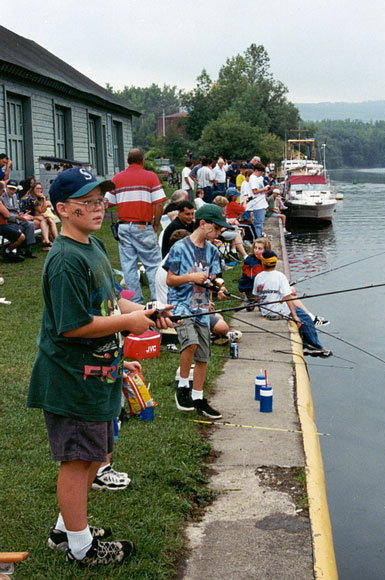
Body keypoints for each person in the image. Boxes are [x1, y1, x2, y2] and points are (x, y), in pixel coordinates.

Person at [26, 166, 173, 566]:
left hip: (98, 377)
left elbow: (110, 300)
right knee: (76, 462)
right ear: (62, 209)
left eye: (101, 200)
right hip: (72, 381)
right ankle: (81, 549)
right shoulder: (64, 261)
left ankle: (66, 529)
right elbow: (72, 325)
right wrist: (128, 323)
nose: (98, 207)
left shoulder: (91, 247)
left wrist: (144, 309)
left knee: (93, 456)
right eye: (87, 202)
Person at [164, 204, 235, 419]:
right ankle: (183, 387)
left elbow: (213, 281)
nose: (219, 233)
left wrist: (218, 291)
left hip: (202, 308)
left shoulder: (212, 251)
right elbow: (170, 279)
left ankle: (198, 397)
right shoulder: (179, 248)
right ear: (202, 224)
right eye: (216, 228)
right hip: (180, 306)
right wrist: (191, 277)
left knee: (203, 355)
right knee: (191, 343)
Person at [106, 149, 166, 303]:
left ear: (127, 161)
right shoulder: (150, 177)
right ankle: (157, 300)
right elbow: (159, 204)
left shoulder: (117, 178)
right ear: (143, 160)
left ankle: (135, 302)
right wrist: (155, 225)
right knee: (153, 265)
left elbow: (108, 202)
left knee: (129, 266)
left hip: (124, 227)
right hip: (142, 225)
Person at [253, 250, 332, 357]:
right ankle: (315, 346)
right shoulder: (280, 276)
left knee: (300, 316)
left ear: (263, 263)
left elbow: (256, 296)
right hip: (279, 312)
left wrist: (261, 307)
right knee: (305, 317)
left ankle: (304, 343)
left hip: (266, 312)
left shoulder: (258, 277)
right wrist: (295, 316)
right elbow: (288, 297)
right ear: (275, 263)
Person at [0, 179, 38, 258]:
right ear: (6, 188)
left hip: (17, 218)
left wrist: (22, 215)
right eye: (10, 189)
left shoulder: (14, 196)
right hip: (9, 220)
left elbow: (16, 210)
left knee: (30, 224)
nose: (12, 191)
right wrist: (18, 217)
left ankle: (28, 249)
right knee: (19, 228)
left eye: (14, 189)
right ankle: (17, 250)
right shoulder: (2, 197)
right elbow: (6, 215)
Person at [238, 237, 271, 306]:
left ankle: (257, 303)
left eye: (260, 249)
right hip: (249, 285)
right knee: (254, 301)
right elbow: (254, 276)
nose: (256, 250)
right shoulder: (250, 260)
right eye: (255, 248)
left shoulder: (267, 260)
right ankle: (252, 302)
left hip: (261, 285)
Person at [0, 182, 26, 262]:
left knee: (20, 228)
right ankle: (7, 252)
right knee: (21, 236)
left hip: (5, 223)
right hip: (2, 225)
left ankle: (13, 252)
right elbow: (7, 215)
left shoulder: (13, 197)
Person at [247, 164, 270, 238]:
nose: (261, 175)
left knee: (259, 223)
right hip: (257, 204)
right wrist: (265, 189)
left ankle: (258, 237)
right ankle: (258, 238)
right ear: (256, 170)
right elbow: (255, 191)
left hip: (261, 203)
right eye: (260, 173)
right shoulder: (253, 178)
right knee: (258, 223)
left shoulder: (259, 178)